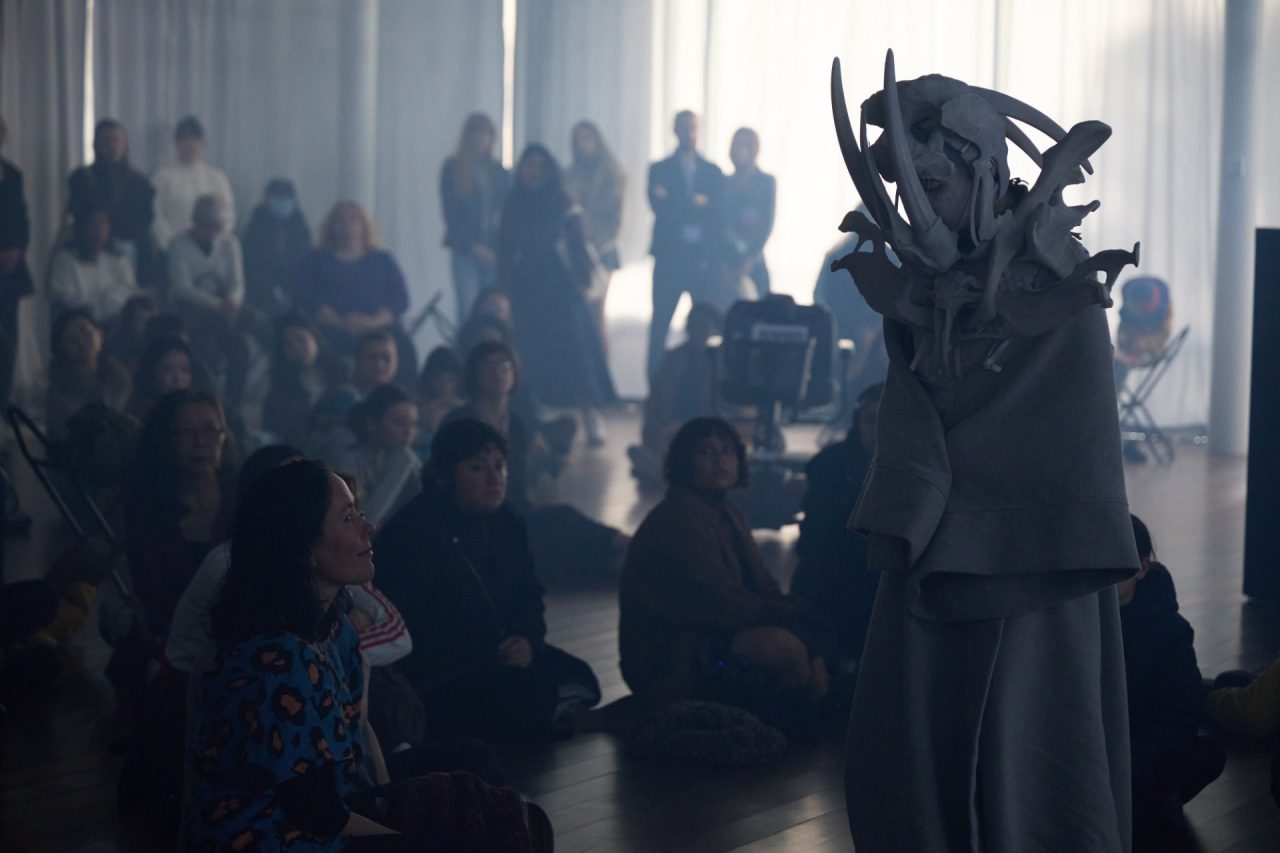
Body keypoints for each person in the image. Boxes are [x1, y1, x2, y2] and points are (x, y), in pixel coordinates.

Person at [190, 459, 534, 851]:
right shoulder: (277, 660)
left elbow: (355, 740)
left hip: (332, 801)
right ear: (303, 547)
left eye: (359, 512)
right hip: (277, 838)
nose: (369, 527)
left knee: (472, 763)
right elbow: (317, 816)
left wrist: (394, 800)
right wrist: (417, 835)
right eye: (349, 517)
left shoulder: (333, 625)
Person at [374, 418, 600, 738]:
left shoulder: (508, 520)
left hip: (504, 653)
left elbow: (528, 591)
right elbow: (413, 622)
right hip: (446, 669)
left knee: (581, 677)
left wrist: (526, 639)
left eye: (500, 466)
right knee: (513, 698)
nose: (495, 479)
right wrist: (486, 652)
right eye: (478, 468)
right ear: (447, 475)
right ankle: (543, 715)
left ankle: (542, 714)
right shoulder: (414, 531)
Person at [619, 417, 826, 733]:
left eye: (728, 451)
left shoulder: (728, 513)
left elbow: (763, 583)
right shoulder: (677, 520)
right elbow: (722, 602)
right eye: (706, 451)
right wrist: (792, 622)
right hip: (672, 655)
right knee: (785, 649)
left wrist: (797, 617)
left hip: (710, 635)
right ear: (685, 462)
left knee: (811, 641)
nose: (720, 460)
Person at [497, 143, 615, 444]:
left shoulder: (562, 201)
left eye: (538, 165)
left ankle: (592, 414)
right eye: (527, 165)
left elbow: (577, 244)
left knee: (578, 352)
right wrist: (505, 290)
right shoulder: (513, 203)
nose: (532, 172)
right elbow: (505, 250)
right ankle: (540, 417)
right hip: (528, 286)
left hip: (562, 286)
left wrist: (582, 281)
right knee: (533, 350)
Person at [1120, 515, 1224, 847]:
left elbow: (1177, 718)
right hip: (1090, 748)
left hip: (1142, 750)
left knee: (1206, 754)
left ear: (1142, 567)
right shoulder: (1072, 619)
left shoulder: (1168, 630)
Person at [124, 389, 238, 643]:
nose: (200, 442)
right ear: (166, 440)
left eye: (210, 430)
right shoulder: (150, 506)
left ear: (224, 437)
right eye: (187, 432)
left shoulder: (242, 496)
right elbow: (149, 588)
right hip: (168, 634)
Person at [790, 384, 881, 675]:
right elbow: (815, 535)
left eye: (886, 421)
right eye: (870, 421)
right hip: (835, 574)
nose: (877, 431)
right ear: (858, 421)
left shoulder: (915, 468)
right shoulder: (831, 464)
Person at [294, 200, 415, 389]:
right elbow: (304, 296)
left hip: (377, 328)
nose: (346, 224)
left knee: (404, 347)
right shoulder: (315, 259)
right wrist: (339, 322)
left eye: (353, 219)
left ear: (364, 225)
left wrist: (371, 322)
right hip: (329, 328)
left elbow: (400, 300)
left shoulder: (383, 260)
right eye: (340, 219)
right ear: (331, 225)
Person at [646, 110, 725, 380]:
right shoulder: (658, 169)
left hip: (702, 261)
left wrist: (675, 201)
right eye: (683, 128)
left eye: (692, 128)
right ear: (674, 131)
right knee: (660, 324)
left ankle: (706, 383)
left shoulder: (713, 172)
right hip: (669, 259)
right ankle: (654, 385)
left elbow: (716, 214)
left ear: (699, 131)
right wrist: (695, 203)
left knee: (706, 324)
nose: (688, 134)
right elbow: (660, 209)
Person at [166, 193, 250, 411]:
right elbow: (182, 288)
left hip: (226, 314)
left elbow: (238, 282)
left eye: (218, 225)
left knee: (241, 350)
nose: (214, 231)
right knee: (204, 354)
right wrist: (218, 305)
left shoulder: (230, 243)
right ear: (195, 221)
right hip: (191, 315)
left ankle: (234, 406)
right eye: (208, 225)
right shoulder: (178, 245)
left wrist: (232, 301)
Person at [629, 302, 721, 483]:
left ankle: (664, 471)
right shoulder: (672, 359)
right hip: (669, 430)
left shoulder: (720, 362)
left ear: (713, 330)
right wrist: (656, 430)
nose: (696, 330)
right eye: (693, 324)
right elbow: (654, 401)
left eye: (702, 326)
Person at [67, 119, 160, 287]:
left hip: (129, 247)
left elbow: (145, 220)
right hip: (90, 248)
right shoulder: (82, 179)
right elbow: (79, 215)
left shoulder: (140, 183)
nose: (112, 146)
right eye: (106, 140)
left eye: (117, 140)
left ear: (125, 144)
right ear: (96, 144)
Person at [441, 112, 508, 323]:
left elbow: (504, 214)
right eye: (476, 134)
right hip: (465, 251)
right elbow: (451, 213)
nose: (481, 139)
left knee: (492, 308)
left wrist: (496, 250)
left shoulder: (499, 172)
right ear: (467, 137)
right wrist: (472, 246)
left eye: (486, 134)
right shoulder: (453, 168)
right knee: (468, 308)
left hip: (493, 252)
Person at [565, 121, 625, 349]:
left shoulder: (613, 175)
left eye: (587, 140)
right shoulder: (569, 175)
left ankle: (602, 372)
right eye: (578, 141)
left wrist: (593, 243)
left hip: (603, 249)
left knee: (597, 313)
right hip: (575, 250)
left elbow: (615, 221)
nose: (583, 146)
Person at [328, 384, 422, 527]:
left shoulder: (403, 457)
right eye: (399, 423)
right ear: (372, 424)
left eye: (413, 424)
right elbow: (360, 523)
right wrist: (400, 466)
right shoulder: (346, 456)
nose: (409, 432)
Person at [150, 116, 235, 250]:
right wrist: (173, 245)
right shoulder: (162, 177)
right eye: (184, 139)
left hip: (212, 249)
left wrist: (216, 241)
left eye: (194, 139)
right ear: (176, 142)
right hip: (173, 249)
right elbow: (156, 215)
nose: (189, 144)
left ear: (201, 142)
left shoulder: (216, 177)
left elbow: (227, 213)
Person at [44, 310, 131, 440]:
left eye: (85, 331)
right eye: (71, 339)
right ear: (60, 349)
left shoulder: (120, 378)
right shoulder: (55, 388)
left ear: (100, 334)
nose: (81, 342)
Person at [48, 205, 140, 324]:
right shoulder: (65, 259)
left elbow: (129, 294)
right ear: (81, 228)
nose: (99, 230)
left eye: (103, 223)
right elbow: (63, 300)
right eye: (93, 224)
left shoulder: (119, 260)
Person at [0, 114, 33, 425]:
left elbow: (21, 220)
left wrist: (16, 251)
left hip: (8, 273)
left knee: (8, 339)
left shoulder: (12, 174)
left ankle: (2, 403)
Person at [262, 313, 339, 445]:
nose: (297, 349)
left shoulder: (342, 372)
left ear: (314, 337)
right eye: (289, 345)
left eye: (301, 340)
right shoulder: (282, 389)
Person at [240, 177, 311, 317]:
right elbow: (251, 263)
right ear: (267, 199)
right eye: (278, 197)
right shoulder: (254, 228)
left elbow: (305, 262)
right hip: (260, 294)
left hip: (294, 293)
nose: (283, 201)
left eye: (287, 197)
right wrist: (271, 289)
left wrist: (290, 290)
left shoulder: (301, 228)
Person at [723, 127, 776, 299]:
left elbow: (767, 224)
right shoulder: (724, 183)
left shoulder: (766, 182)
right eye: (736, 146)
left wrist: (751, 257)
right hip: (727, 260)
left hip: (755, 259)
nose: (740, 151)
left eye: (745, 146)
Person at [126, 335, 197, 422]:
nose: (178, 378)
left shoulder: (197, 410)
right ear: (152, 374)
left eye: (185, 370)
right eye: (168, 370)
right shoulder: (139, 413)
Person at [414, 346, 463, 452]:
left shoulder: (463, 407)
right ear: (428, 379)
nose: (445, 387)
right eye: (440, 380)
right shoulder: (416, 406)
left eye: (450, 380)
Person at [103, 293, 160, 373]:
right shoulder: (116, 349)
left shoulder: (158, 347)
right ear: (129, 321)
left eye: (152, 321)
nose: (148, 326)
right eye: (142, 320)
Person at [352, 329, 400, 397]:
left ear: (396, 362)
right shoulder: (345, 398)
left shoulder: (403, 404)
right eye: (372, 358)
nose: (379, 365)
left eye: (386, 358)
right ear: (358, 360)